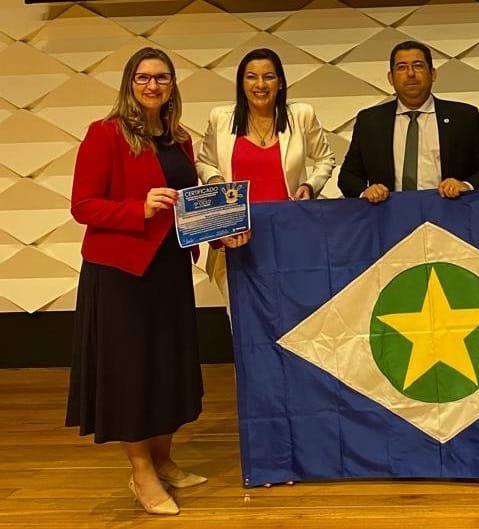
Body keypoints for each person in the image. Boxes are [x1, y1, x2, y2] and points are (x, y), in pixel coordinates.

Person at [66, 47, 207, 516]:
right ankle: (141, 472)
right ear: (130, 83)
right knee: (132, 374)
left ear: (172, 85)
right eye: (143, 77)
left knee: (167, 367)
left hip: (169, 269)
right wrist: (137, 209)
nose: (153, 85)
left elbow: (187, 202)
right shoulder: (104, 134)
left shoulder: (179, 139)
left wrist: (217, 227)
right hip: (121, 273)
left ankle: (164, 459)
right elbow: (83, 206)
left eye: (161, 78)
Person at [196, 48, 336, 305]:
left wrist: (310, 185)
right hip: (238, 238)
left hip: (289, 235)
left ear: (280, 82)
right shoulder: (221, 118)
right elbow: (204, 162)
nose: (260, 85)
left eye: (268, 77)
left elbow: (325, 159)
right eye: (251, 77)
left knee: (291, 314)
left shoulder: (301, 115)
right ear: (241, 83)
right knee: (243, 318)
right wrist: (215, 181)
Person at [337, 40, 479, 202]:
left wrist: (465, 185)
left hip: (449, 208)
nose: (410, 73)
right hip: (388, 211)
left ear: (432, 74)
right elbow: (348, 176)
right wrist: (365, 192)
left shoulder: (463, 116)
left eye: (418, 66)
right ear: (390, 78)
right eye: (402, 67)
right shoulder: (370, 121)